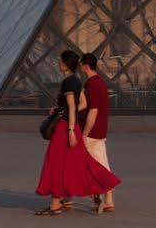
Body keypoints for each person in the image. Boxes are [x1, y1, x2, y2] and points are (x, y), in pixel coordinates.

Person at [35, 50, 120, 216]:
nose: (58, 63)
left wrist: (71, 130)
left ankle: (62, 201)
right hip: (72, 126)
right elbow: (82, 103)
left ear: (65, 64)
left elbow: (76, 107)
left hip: (66, 128)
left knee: (57, 163)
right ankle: (60, 201)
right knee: (73, 163)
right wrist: (62, 110)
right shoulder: (77, 81)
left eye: (60, 61)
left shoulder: (69, 82)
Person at [80, 53, 114, 213]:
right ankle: (106, 199)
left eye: (81, 64)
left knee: (96, 165)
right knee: (100, 163)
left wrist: (85, 133)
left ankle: (102, 197)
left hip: (93, 131)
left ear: (86, 66)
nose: (80, 67)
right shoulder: (100, 82)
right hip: (100, 129)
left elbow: (93, 110)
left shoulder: (92, 84)